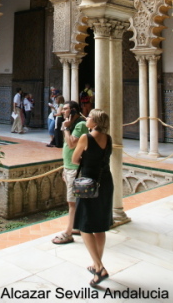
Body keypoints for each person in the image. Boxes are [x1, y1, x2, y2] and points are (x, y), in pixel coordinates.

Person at [72, 109, 113, 288]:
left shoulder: (86, 138)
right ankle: (97, 264)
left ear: (95, 122)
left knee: (85, 226)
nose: (86, 118)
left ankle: (99, 267)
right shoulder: (109, 138)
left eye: (89, 117)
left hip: (88, 183)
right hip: (105, 182)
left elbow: (75, 159)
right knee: (99, 226)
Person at [52, 100, 88, 244]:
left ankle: (68, 232)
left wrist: (65, 129)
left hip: (75, 169)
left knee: (72, 202)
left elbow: (72, 143)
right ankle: (76, 226)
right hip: (69, 168)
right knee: (74, 201)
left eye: (66, 109)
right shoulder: (73, 124)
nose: (62, 111)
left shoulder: (80, 125)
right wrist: (64, 168)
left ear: (73, 110)